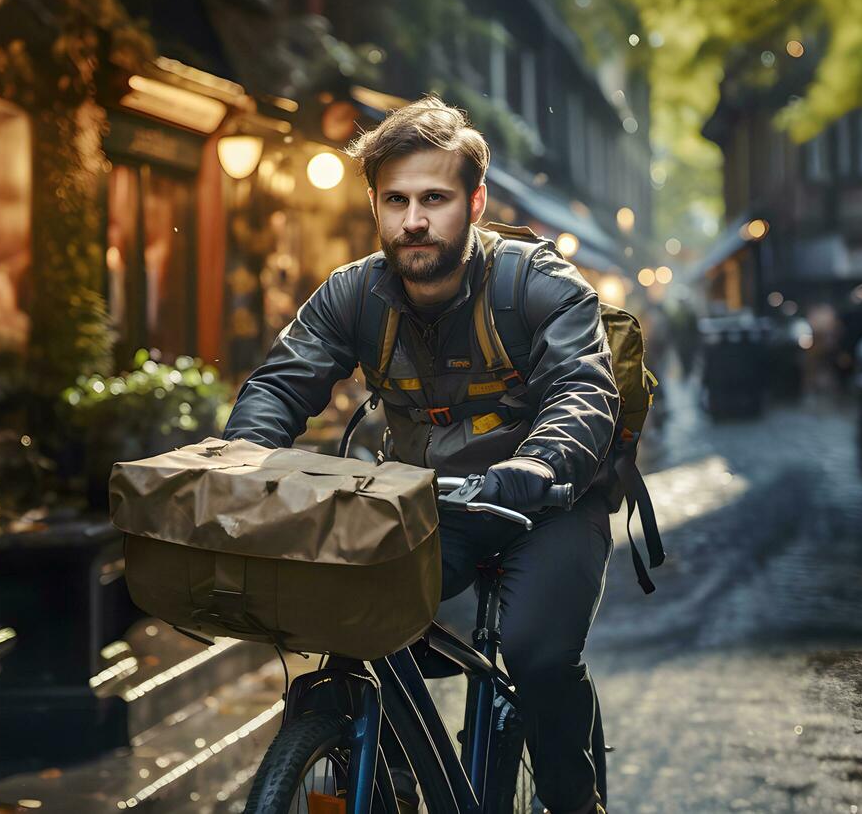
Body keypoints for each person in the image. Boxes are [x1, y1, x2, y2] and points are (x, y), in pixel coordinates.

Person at [221, 96, 617, 814]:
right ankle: (391, 778)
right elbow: (282, 383)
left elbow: (583, 390)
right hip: (430, 502)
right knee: (358, 626)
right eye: (396, 200)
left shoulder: (539, 285)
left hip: (548, 501)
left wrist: (541, 465)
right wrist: (242, 463)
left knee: (537, 655)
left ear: (475, 200)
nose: (413, 220)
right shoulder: (352, 295)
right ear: (374, 205)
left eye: (434, 198)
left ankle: (573, 800)